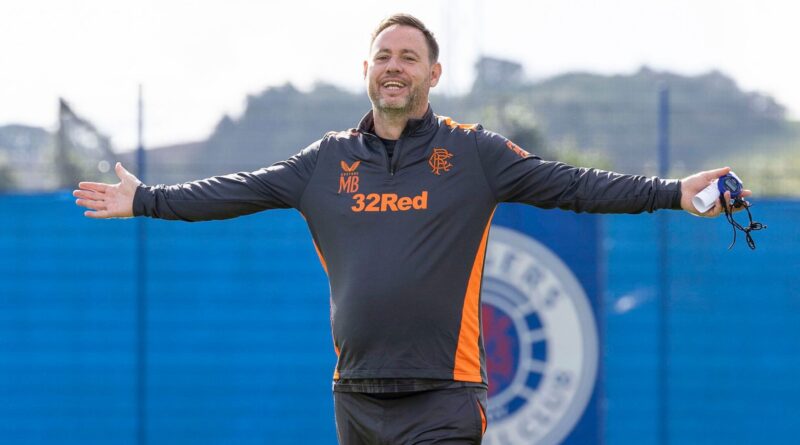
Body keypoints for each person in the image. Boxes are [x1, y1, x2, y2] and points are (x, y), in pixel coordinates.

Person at [74, 13, 751, 445]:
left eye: (407, 55)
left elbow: (573, 184)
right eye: (382, 55)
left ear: (433, 72)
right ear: (365, 71)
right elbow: (236, 190)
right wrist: (148, 199)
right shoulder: (323, 161)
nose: (394, 65)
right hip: (357, 398)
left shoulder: (475, 154)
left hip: (444, 400)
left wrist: (671, 191)